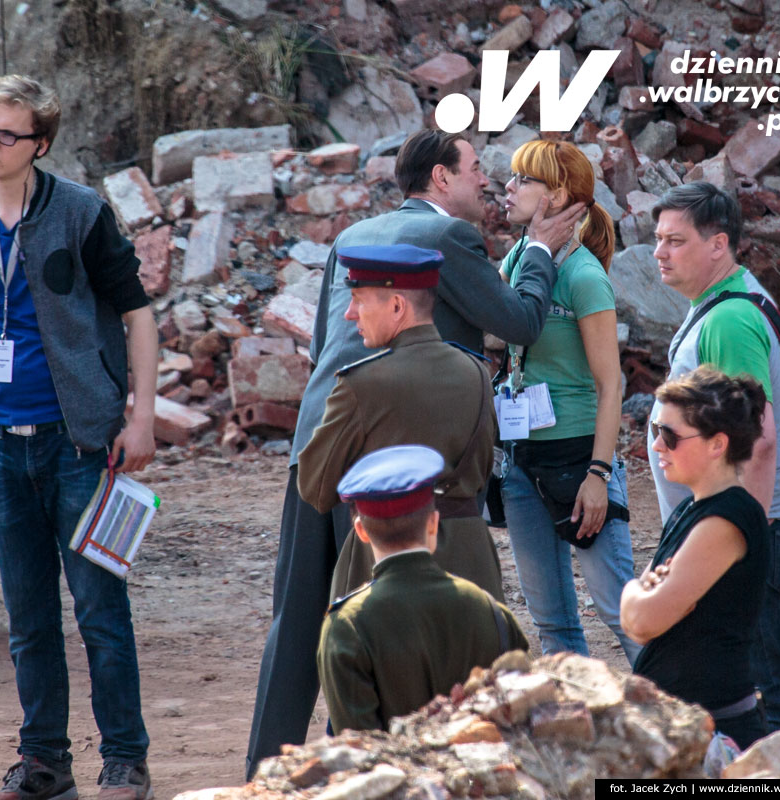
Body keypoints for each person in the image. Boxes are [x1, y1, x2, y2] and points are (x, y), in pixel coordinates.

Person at [245, 129, 584, 778]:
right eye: (474, 169)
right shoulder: (449, 239)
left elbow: (326, 342)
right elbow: (518, 321)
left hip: (318, 436)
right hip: (387, 466)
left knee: (298, 619)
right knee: (381, 619)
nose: (485, 182)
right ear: (438, 179)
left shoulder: (353, 235)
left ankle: (267, 775)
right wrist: (539, 249)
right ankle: (368, 772)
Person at [0, 74, 158, 800]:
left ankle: (124, 758)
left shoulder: (82, 213)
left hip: (80, 445)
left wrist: (142, 415)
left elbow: (138, 315)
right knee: (27, 618)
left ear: (42, 144)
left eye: (7, 134)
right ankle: (44, 762)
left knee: (100, 610)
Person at [649, 181, 780, 732]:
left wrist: (744, 536)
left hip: (752, 525)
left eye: (675, 241)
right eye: (658, 240)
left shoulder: (728, 319)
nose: (659, 253)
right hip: (739, 523)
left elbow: (758, 439)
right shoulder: (719, 304)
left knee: (763, 679)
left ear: (718, 244)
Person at [497, 139, 640, 665]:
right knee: (552, 620)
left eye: (522, 181)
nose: (508, 189)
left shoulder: (583, 276)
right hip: (521, 461)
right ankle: (582, 733)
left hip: (581, 458)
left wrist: (599, 475)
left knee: (623, 610)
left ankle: (694, 727)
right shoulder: (518, 258)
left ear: (556, 196)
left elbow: (611, 385)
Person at [297, 244, 499, 596]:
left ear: (396, 305)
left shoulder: (361, 384)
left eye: (359, 299)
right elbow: (481, 471)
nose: (349, 313)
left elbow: (314, 487)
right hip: (470, 562)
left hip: (386, 562)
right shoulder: (477, 372)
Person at [318, 445, 528, 734]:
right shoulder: (491, 611)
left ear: (361, 531)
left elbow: (356, 749)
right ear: (433, 523)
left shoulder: (346, 627)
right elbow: (522, 718)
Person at [622, 367, 771, 749]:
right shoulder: (692, 509)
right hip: (689, 726)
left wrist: (633, 591)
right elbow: (641, 620)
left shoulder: (728, 518)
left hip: (714, 733)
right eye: (656, 431)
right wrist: (642, 597)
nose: (656, 446)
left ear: (717, 444)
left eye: (669, 436)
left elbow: (643, 619)